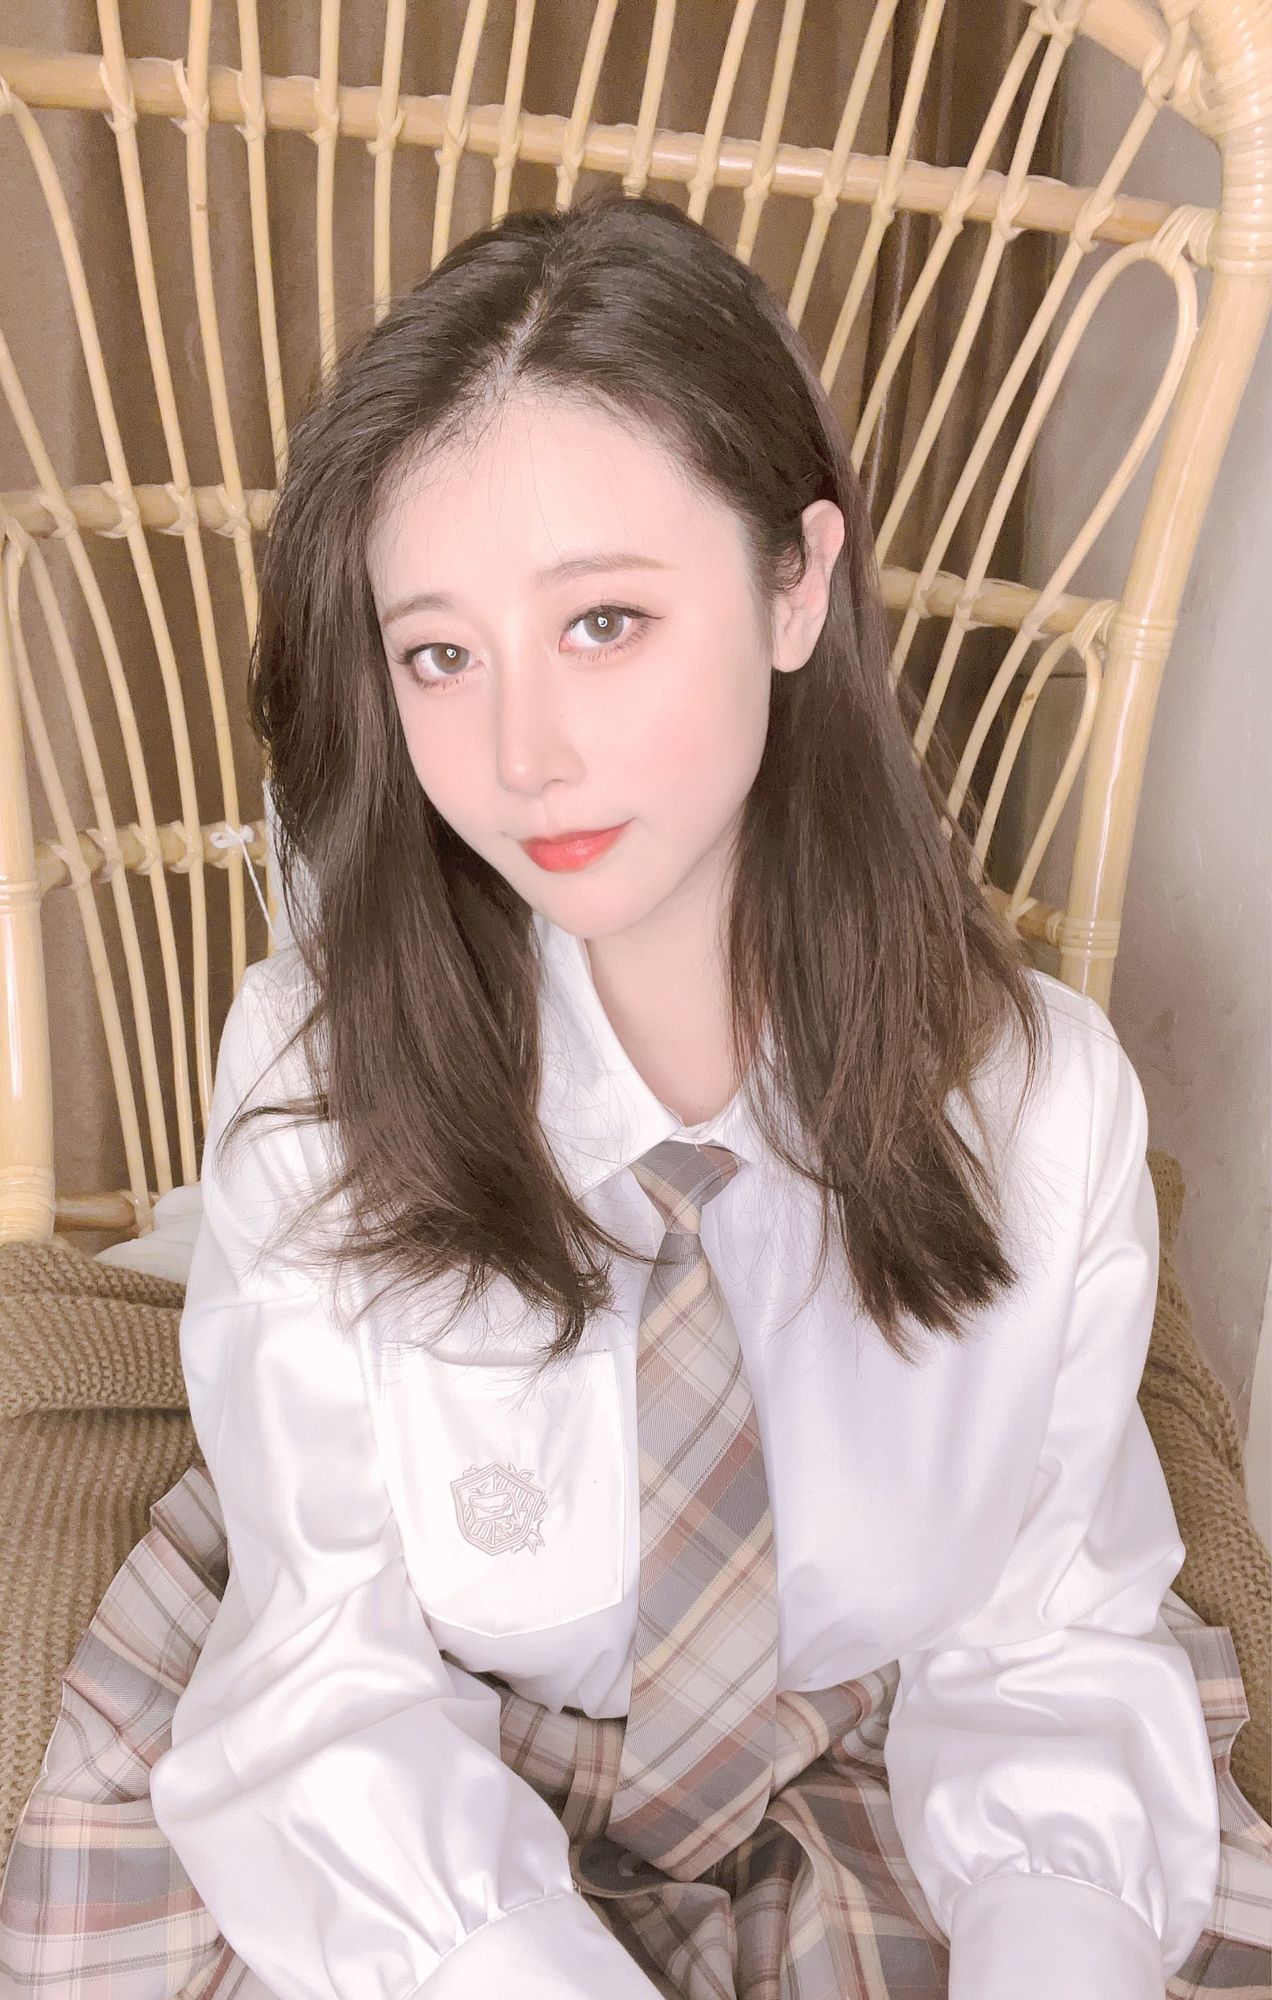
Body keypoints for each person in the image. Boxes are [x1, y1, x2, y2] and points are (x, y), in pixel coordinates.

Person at [2, 188, 1267, 2000]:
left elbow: (1043, 1650)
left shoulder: (1041, 1113)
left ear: (795, 585)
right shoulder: (325, 1073)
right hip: (425, 1787)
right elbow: (335, 1686)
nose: (523, 756)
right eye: (441, 654)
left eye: (603, 622)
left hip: (858, 1760)